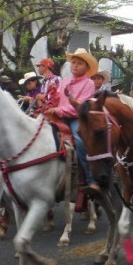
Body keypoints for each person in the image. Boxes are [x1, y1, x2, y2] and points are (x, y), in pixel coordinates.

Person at [44, 48, 99, 196]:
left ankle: (91, 179)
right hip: (60, 117)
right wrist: (52, 95)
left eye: (79, 63)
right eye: (73, 62)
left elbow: (79, 107)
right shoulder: (65, 81)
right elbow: (58, 101)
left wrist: (58, 111)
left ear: (87, 67)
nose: (75, 65)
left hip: (77, 118)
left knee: (80, 141)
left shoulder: (89, 84)